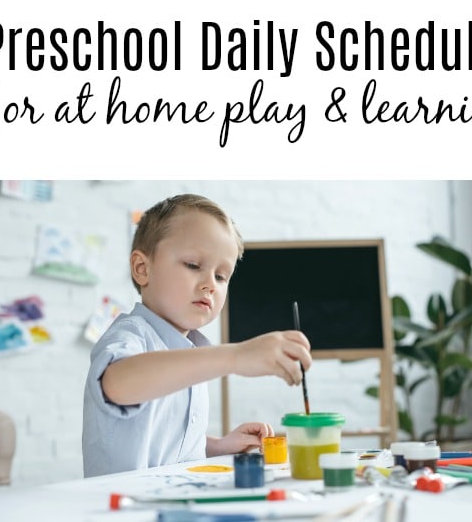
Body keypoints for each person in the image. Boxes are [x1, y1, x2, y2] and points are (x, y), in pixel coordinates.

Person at [82, 194, 311, 477]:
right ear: (143, 269)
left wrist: (218, 445)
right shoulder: (132, 334)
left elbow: (163, 440)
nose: (210, 285)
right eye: (193, 265)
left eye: (221, 276)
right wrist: (236, 356)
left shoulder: (191, 350)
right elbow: (116, 385)